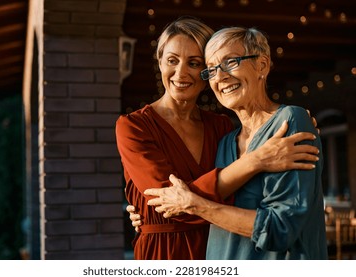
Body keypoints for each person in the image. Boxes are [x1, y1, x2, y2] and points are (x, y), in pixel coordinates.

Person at [116, 16, 319, 260]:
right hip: (165, 253)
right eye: (172, 60)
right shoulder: (134, 126)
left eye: (194, 63)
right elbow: (170, 203)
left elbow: (260, 206)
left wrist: (292, 119)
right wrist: (257, 160)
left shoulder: (221, 127)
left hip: (220, 248)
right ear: (159, 62)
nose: (181, 72)